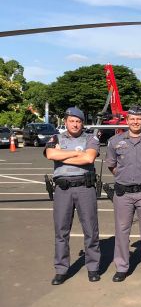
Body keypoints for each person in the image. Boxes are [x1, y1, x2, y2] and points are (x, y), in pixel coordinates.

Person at [105, 105, 141, 282]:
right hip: (123, 193)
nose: (135, 121)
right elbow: (111, 165)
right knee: (122, 230)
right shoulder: (115, 141)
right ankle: (122, 267)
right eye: (132, 118)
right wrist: (125, 177)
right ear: (127, 120)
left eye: (139, 118)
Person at [45, 107, 101, 285]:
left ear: (82, 123)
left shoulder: (90, 139)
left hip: (85, 187)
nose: (75, 124)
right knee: (61, 231)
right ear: (66, 121)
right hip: (63, 189)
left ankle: (93, 268)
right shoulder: (56, 138)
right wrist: (78, 152)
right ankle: (61, 269)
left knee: (91, 230)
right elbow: (51, 154)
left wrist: (62, 157)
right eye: (71, 120)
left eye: (78, 121)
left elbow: (89, 159)